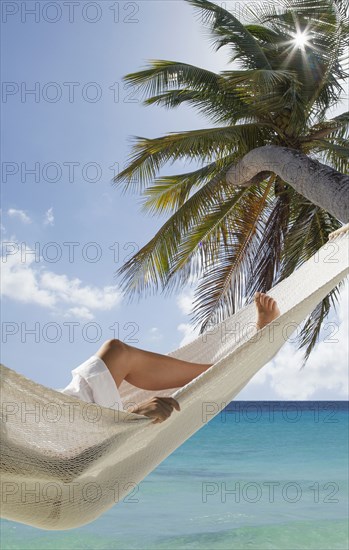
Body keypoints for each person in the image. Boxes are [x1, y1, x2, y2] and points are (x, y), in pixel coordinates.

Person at [60, 292, 280, 424]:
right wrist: (134, 414)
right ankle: (234, 365)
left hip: (61, 413)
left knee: (117, 352)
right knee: (117, 352)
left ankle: (229, 367)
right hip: (65, 428)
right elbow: (73, 452)